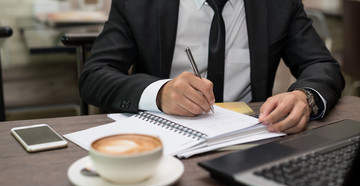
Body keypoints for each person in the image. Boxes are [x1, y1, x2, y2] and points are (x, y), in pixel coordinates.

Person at [79, 0, 344, 134]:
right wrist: (160, 93)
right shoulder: (138, 4)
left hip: (256, 137)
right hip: (166, 140)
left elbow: (320, 63)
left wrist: (304, 97)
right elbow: (94, 76)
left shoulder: (278, 4)